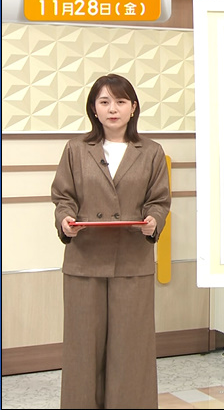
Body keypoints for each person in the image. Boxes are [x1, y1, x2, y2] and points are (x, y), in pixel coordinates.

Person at [51, 74, 171, 408]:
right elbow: (63, 197)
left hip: (132, 261)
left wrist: (153, 221)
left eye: (120, 101)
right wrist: (65, 220)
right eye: (104, 102)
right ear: (94, 108)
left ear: (133, 107)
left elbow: (159, 201)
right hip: (84, 261)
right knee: (82, 350)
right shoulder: (75, 149)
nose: (112, 109)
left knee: (131, 350)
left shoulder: (151, 152)